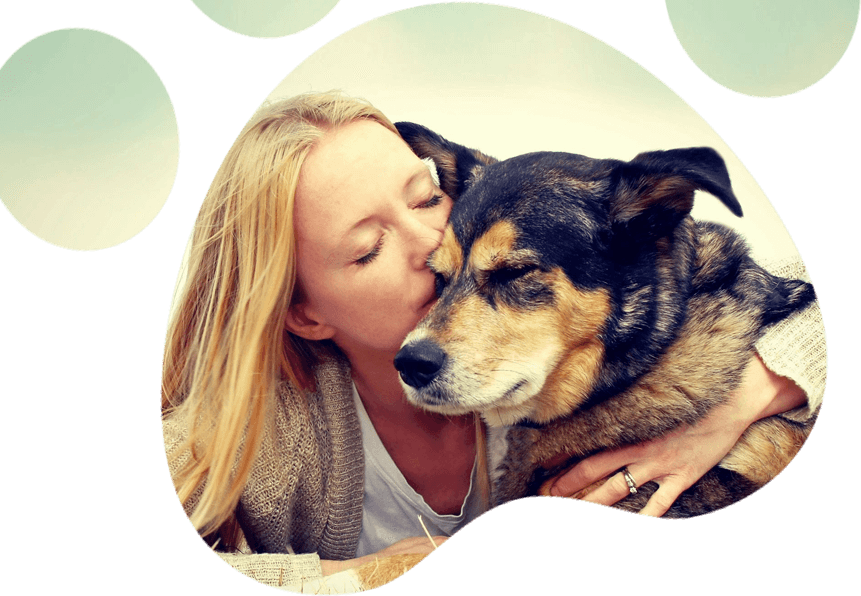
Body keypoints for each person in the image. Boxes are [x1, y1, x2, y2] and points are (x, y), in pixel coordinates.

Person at [161, 90, 826, 590]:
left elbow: (784, 291)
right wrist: (369, 573)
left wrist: (747, 394)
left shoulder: (523, 257)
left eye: (425, 199)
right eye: (367, 250)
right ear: (306, 315)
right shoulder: (257, 432)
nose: (432, 248)